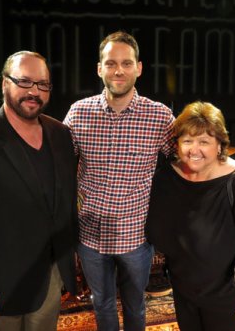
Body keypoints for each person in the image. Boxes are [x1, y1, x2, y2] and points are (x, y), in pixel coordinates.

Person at [63, 31, 175, 331]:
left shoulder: (160, 117)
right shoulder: (78, 113)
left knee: (136, 303)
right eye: (111, 63)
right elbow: (58, 166)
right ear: (99, 68)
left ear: (139, 67)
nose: (119, 70)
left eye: (126, 63)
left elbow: (187, 162)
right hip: (89, 235)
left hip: (135, 237)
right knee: (101, 302)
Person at [0, 51, 78, 331]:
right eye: (24, 81)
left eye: (43, 84)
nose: (34, 91)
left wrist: (65, 271)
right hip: (0, 290)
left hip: (49, 281)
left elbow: (62, 206)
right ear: (4, 83)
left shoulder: (61, 134)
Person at [145, 101, 235, 331]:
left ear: (220, 145)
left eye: (204, 141)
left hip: (228, 300)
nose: (194, 149)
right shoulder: (165, 178)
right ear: (177, 143)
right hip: (183, 292)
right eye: (187, 140)